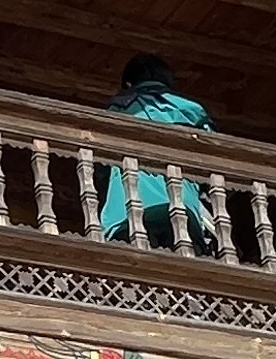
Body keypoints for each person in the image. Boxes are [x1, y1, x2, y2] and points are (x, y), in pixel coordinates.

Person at [93, 54, 218, 251]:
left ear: (128, 83)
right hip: (183, 210)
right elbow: (211, 162)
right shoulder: (192, 113)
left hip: (129, 212)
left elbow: (99, 167)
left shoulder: (119, 110)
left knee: (133, 275)